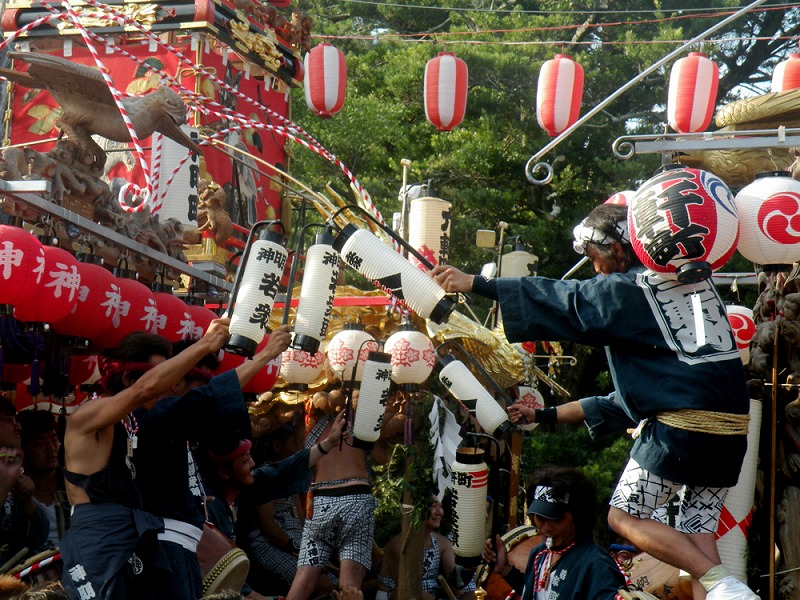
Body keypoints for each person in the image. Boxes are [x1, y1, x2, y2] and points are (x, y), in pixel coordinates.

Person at [432, 203, 757, 600]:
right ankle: (725, 588)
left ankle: (723, 584)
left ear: (618, 249)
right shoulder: (696, 287)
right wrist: (543, 414)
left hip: (683, 430)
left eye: (594, 256)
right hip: (730, 431)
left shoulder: (633, 286)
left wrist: (478, 284)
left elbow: (568, 299)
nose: (595, 268)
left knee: (622, 516)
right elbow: (619, 401)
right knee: (697, 535)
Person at [59, 318, 231, 600]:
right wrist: (204, 345)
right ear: (128, 379)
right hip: (99, 541)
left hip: (133, 539)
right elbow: (144, 390)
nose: (167, 386)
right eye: (158, 376)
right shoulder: (87, 416)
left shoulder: (132, 421)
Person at [132, 325, 292, 600]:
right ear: (174, 382)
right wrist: (266, 354)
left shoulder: (171, 423)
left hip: (185, 542)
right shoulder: (154, 416)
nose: (204, 397)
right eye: (199, 386)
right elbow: (213, 396)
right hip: (167, 542)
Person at [201, 411, 348, 598]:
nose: (253, 464)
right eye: (245, 461)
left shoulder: (242, 490)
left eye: (250, 457)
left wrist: (327, 444)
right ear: (225, 474)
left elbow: (281, 471)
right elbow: (222, 576)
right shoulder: (210, 508)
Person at [286, 410, 391, 600]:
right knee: (349, 585)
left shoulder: (306, 418)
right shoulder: (361, 413)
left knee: (304, 578)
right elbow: (383, 457)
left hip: (320, 504)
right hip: (355, 501)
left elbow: (302, 459)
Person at [482, 466, 626, 600]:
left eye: (556, 519)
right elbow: (536, 594)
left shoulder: (597, 565)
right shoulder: (539, 554)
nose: (547, 528)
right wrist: (505, 569)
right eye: (540, 518)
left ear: (578, 517)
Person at [246, 423, 337, 596]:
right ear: (277, 445)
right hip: (271, 545)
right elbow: (269, 527)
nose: (298, 447)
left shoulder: (291, 475)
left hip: (295, 541)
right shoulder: (266, 474)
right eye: (294, 442)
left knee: (336, 582)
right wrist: (296, 548)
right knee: (323, 585)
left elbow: (301, 517)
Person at [378, 498, 476, 600]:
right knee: (408, 591)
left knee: (471, 595)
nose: (439, 512)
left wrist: (468, 570)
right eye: (433, 506)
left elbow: (456, 584)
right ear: (416, 510)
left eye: (440, 506)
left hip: (433, 596)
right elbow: (410, 588)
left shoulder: (442, 543)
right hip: (398, 595)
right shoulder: (399, 545)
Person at [0, 398, 48, 568]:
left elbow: (41, 536)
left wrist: (28, 502)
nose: (18, 426)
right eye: (9, 420)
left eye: (16, 420)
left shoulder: (12, 466)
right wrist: (4, 487)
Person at [17, 410, 70, 547]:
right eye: (40, 443)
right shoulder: (13, 494)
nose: (51, 448)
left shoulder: (72, 486)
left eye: (54, 439)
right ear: (22, 450)